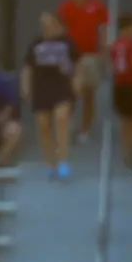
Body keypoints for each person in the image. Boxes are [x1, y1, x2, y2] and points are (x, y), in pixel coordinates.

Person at [23, 11, 78, 180]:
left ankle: (63, 160)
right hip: (41, 88)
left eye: (50, 24)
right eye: (43, 25)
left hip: (61, 86)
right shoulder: (35, 44)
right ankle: (49, 161)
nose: (46, 28)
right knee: (44, 126)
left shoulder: (68, 43)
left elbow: (78, 64)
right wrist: (25, 87)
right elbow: (27, 68)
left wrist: (78, 82)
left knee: (61, 119)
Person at [58, 0, 111, 142]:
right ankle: (69, 126)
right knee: (70, 92)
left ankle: (85, 130)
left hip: (91, 56)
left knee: (89, 94)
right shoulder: (64, 8)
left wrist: (104, 52)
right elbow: (61, 32)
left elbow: (103, 29)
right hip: (71, 56)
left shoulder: (97, 6)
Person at [109, 15, 132, 167]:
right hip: (130, 83)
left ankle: (126, 150)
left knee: (125, 119)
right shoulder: (131, 44)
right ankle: (131, 151)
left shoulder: (116, 44)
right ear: (128, 27)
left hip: (118, 84)